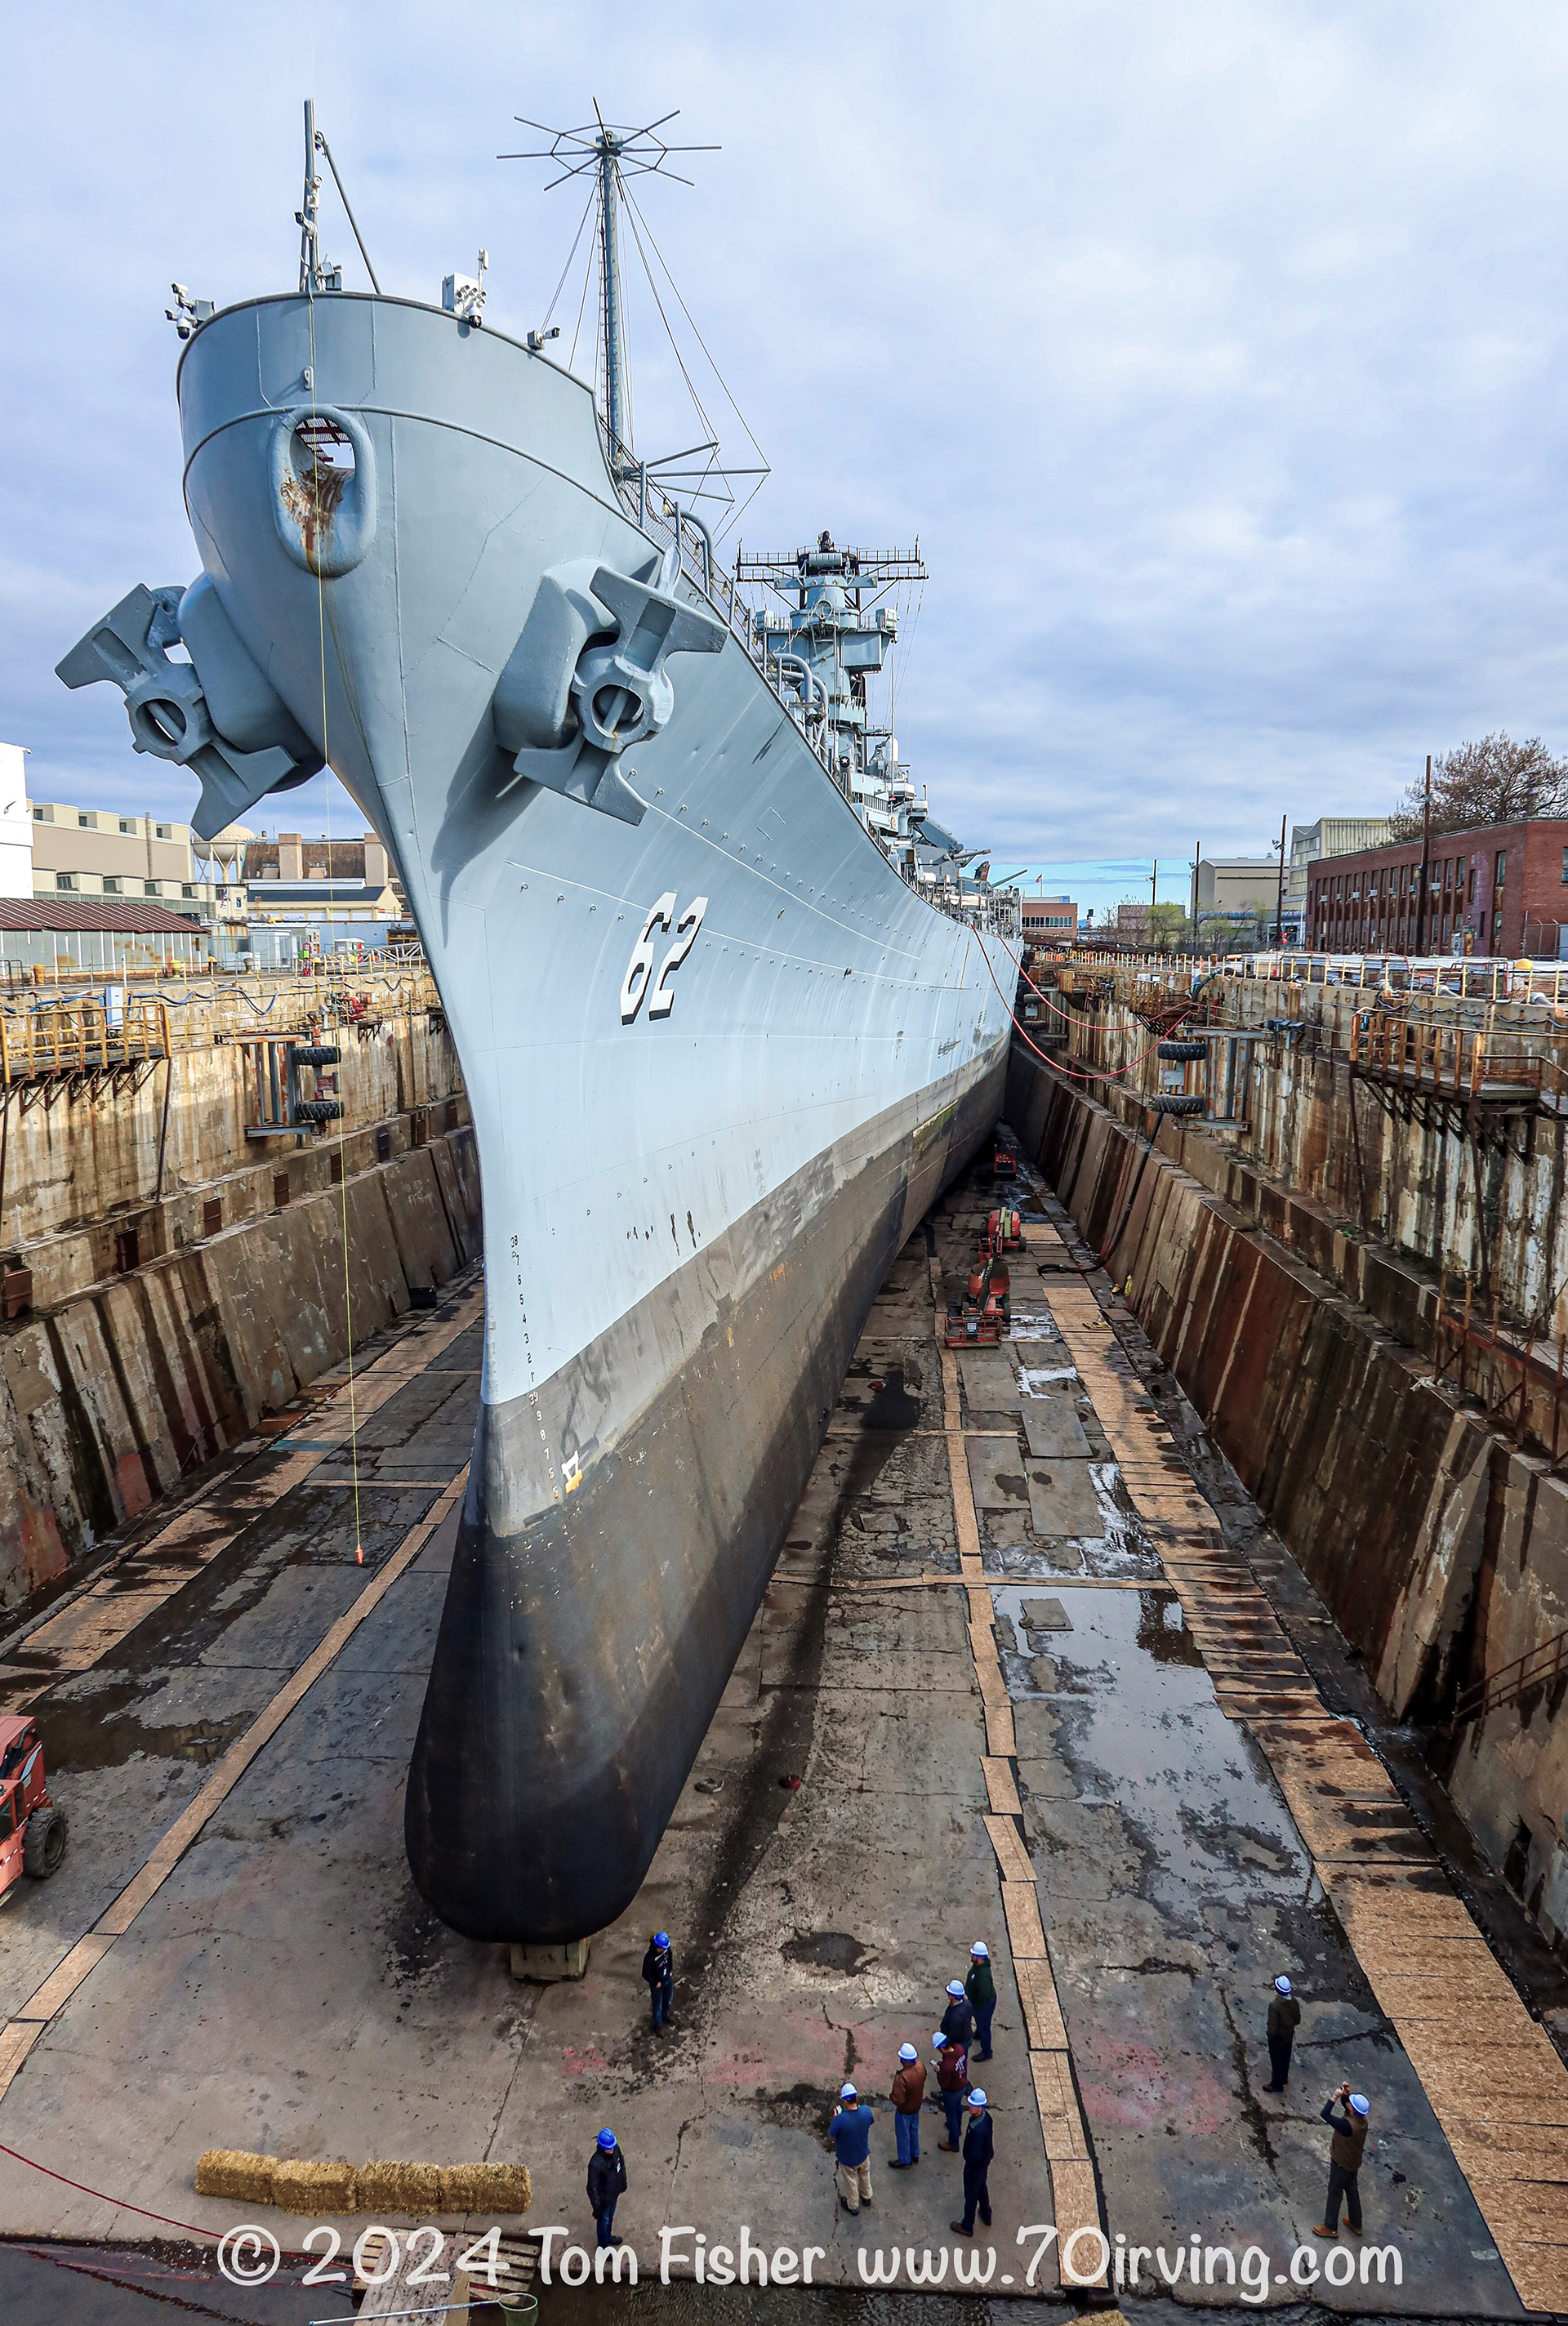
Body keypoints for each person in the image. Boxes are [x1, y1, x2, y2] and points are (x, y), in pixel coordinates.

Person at [1313, 2084, 1370, 2238]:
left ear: (1353, 2110)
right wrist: (1346, 2094)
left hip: (1341, 2164)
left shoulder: (1346, 2126)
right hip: (1353, 2163)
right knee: (1352, 2191)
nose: (1348, 2104)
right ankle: (1356, 2222)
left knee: (1335, 2193)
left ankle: (1330, 2227)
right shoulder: (1361, 2121)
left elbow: (1325, 2114)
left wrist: (1334, 2097)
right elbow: (1348, 2106)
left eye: (1350, 2103)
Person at [951, 2090, 994, 2237]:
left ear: (980, 2108)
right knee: (981, 2187)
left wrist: (969, 2161)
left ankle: (967, 2225)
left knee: (970, 2196)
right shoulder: (987, 2119)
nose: (970, 2106)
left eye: (973, 2105)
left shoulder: (977, 2130)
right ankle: (986, 2214)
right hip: (983, 2165)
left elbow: (974, 2155)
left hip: (974, 2168)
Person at [830, 2081, 875, 2215]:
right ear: (856, 2097)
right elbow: (871, 2121)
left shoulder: (840, 2120)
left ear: (844, 2100)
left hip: (847, 2158)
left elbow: (831, 2136)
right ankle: (867, 2197)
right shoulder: (866, 2111)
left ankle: (853, 2205)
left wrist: (836, 2119)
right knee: (864, 2175)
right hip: (863, 2153)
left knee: (851, 2182)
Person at [587, 2127, 626, 2251]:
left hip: (613, 2194)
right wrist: (597, 2207)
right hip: (604, 2201)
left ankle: (608, 2237)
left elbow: (621, 2166)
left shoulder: (615, 2150)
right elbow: (592, 2188)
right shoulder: (595, 2164)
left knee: (610, 2219)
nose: (611, 2149)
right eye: (608, 2148)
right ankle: (603, 2247)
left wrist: (623, 2183)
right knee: (603, 2222)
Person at [889, 2041, 925, 2168]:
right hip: (916, 2106)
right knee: (913, 2130)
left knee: (903, 2135)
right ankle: (915, 2154)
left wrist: (892, 2098)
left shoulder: (902, 2077)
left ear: (904, 2060)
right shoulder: (921, 2067)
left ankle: (905, 2161)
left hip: (904, 2110)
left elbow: (898, 2099)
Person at [1265, 1974, 1301, 2092]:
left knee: (1277, 2061)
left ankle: (1276, 2085)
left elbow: (1272, 2028)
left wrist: (1270, 2036)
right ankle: (1284, 2078)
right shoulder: (1294, 2002)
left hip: (1278, 2038)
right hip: (1289, 2035)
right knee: (1286, 2057)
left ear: (1276, 1989)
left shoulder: (1275, 2006)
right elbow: (1298, 2020)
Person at [934, 2029, 968, 2150]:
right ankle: (958, 2127)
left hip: (952, 2091)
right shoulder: (959, 2049)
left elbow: (944, 2084)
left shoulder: (947, 2066)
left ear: (941, 2049)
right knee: (958, 2108)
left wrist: (939, 2071)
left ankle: (953, 2143)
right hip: (962, 2084)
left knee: (951, 2116)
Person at [965, 1942, 996, 2061]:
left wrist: (976, 2005)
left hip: (983, 2006)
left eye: (973, 1954)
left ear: (979, 1958)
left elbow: (983, 1994)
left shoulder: (983, 1975)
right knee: (980, 2023)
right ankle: (978, 2033)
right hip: (978, 2004)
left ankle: (987, 2051)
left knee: (985, 2028)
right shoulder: (978, 1967)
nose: (971, 1956)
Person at [642, 1930, 674, 2030]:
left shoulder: (666, 1950)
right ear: (658, 1947)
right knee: (657, 2006)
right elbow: (645, 1973)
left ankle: (666, 2017)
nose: (665, 1950)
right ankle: (658, 2025)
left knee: (667, 2000)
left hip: (667, 1979)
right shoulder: (650, 1958)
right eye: (663, 1948)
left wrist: (670, 1970)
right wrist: (655, 1983)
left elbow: (670, 1958)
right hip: (658, 1984)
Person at [940, 1978, 975, 2050]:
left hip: (959, 2043)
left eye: (949, 1994)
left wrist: (948, 2045)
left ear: (952, 1996)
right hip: (966, 2035)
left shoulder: (955, 2016)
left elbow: (954, 2035)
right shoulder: (967, 2003)